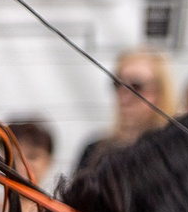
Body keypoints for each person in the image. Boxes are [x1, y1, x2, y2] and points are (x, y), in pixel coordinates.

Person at [72, 47, 176, 179]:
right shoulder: (95, 151)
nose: (124, 95)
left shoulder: (174, 151)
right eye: (117, 84)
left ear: (159, 92)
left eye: (136, 86)